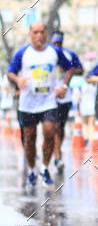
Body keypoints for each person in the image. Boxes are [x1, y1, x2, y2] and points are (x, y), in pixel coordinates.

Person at [7, 22, 75, 187]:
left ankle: (45, 168)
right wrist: (18, 80)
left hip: (48, 101)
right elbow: (10, 72)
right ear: (30, 34)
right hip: (28, 103)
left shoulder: (54, 51)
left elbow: (69, 68)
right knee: (29, 138)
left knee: (50, 132)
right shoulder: (23, 53)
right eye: (35, 32)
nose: (39, 36)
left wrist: (64, 87)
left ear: (46, 34)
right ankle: (32, 170)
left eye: (42, 32)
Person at [50, 31, 83, 172]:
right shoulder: (47, 55)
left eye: (59, 43)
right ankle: (55, 155)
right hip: (49, 96)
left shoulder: (70, 55)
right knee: (52, 126)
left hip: (65, 95)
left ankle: (58, 154)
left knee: (60, 127)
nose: (57, 45)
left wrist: (69, 69)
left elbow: (81, 70)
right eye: (54, 43)